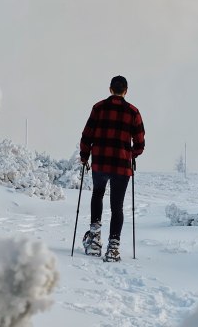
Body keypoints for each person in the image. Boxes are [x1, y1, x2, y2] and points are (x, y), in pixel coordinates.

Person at [79, 75, 145, 262]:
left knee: (97, 195)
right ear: (125, 91)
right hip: (121, 166)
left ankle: (94, 241)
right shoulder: (133, 112)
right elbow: (140, 142)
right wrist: (132, 154)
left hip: (100, 162)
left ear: (110, 89)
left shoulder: (98, 108)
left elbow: (86, 135)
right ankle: (113, 248)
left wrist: (85, 157)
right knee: (117, 206)